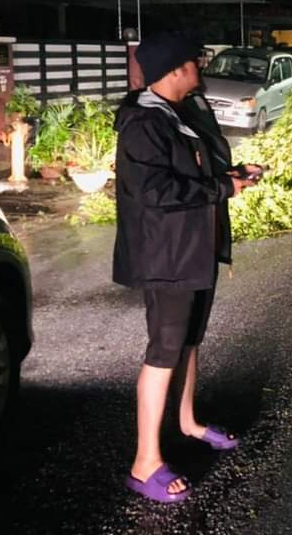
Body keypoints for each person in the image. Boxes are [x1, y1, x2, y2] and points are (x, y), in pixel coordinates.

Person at [113, 31, 262, 504]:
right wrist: (222, 191)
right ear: (175, 71)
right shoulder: (143, 123)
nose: (201, 66)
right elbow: (154, 192)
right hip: (168, 255)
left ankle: (188, 422)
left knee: (191, 340)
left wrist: (232, 178)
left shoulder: (186, 112)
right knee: (164, 350)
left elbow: (201, 170)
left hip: (198, 247)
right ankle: (145, 462)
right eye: (195, 62)